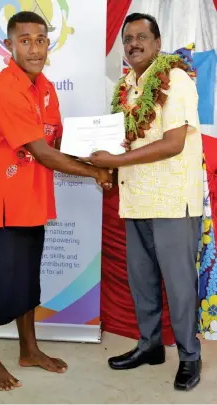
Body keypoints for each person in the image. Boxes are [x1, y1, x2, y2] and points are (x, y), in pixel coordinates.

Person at [0, 11, 112, 391]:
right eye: (25, 40)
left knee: (28, 283)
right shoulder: (4, 89)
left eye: (41, 39)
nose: (34, 47)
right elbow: (42, 152)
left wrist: (100, 153)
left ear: (49, 44)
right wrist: (96, 172)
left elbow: (58, 142)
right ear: (9, 45)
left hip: (33, 200)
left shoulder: (45, 87)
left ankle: (29, 349)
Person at [83, 13, 203, 391]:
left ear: (157, 41)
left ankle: (189, 356)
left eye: (141, 37)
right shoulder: (125, 88)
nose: (133, 43)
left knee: (179, 284)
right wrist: (106, 171)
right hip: (135, 200)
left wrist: (113, 162)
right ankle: (150, 346)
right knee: (142, 281)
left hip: (171, 200)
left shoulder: (176, 79)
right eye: (128, 38)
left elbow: (173, 143)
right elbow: (125, 142)